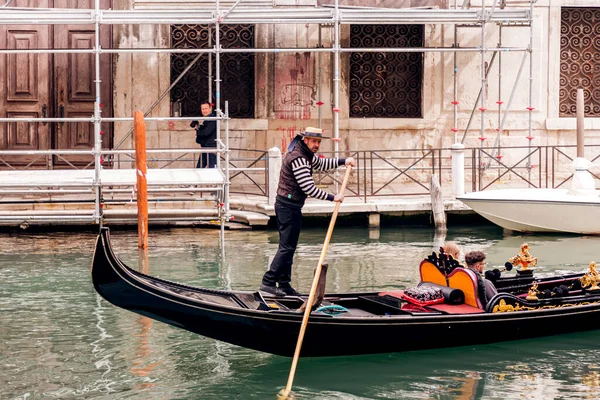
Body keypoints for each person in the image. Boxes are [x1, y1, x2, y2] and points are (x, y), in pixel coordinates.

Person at [260, 127, 356, 297]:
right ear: (305, 140)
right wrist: (333, 197)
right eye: (314, 141)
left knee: (288, 247)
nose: (316, 145)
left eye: (318, 142)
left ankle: (283, 284)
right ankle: (268, 282)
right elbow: (308, 188)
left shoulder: (305, 154)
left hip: (290, 206)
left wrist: (343, 161)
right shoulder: (299, 159)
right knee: (287, 247)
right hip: (287, 207)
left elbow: (321, 164)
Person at [190, 102, 217, 168]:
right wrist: (198, 126)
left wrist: (197, 130)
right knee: (199, 168)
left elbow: (206, 132)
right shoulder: (208, 119)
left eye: (206, 109)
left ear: (210, 109)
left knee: (212, 169)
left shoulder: (212, 119)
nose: (204, 111)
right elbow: (205, 129)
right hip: (205, 147)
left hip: (211, 148)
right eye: (202, 109)